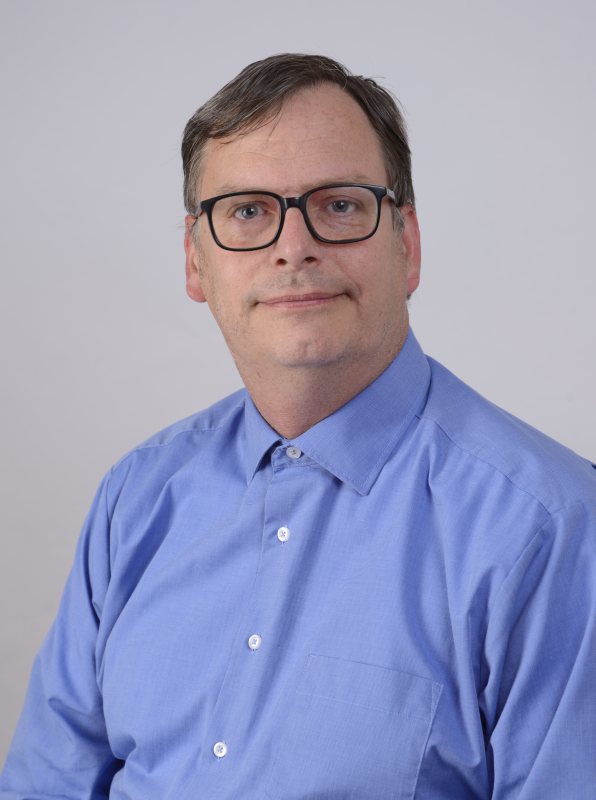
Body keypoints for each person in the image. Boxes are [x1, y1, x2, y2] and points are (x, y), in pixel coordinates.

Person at [1, 53, 595, 800]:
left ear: (406, 243)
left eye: (339, 205)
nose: (293, 246)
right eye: (247, 211)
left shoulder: (552, 529)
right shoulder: (135, 498)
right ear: (195, 261)